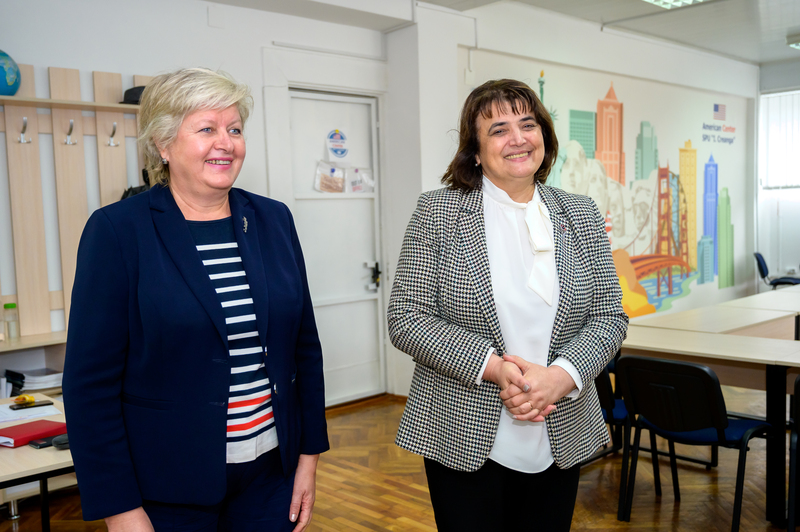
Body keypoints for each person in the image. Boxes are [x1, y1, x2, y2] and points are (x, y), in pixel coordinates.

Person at [63, 68, 329, 532]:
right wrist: (119, 508)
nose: (226, 143)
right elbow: (89, 387)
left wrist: (308, 456)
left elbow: (304, 348)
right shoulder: (117, 231)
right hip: (166, 487)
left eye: (235, 129)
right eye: (207, 129)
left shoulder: (273, 219)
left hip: (271, 476)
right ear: (163, 144)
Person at [387, 79, 628, 531]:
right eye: (498, 129)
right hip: (461, 427)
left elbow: (609, 317)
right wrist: (494, 367)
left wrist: (561, 376)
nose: (517, 138)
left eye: (528, 124)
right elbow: (406, 318)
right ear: (476, 151)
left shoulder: (581, 214)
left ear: (544, 137)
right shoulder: (437, 213)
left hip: (560, 423)